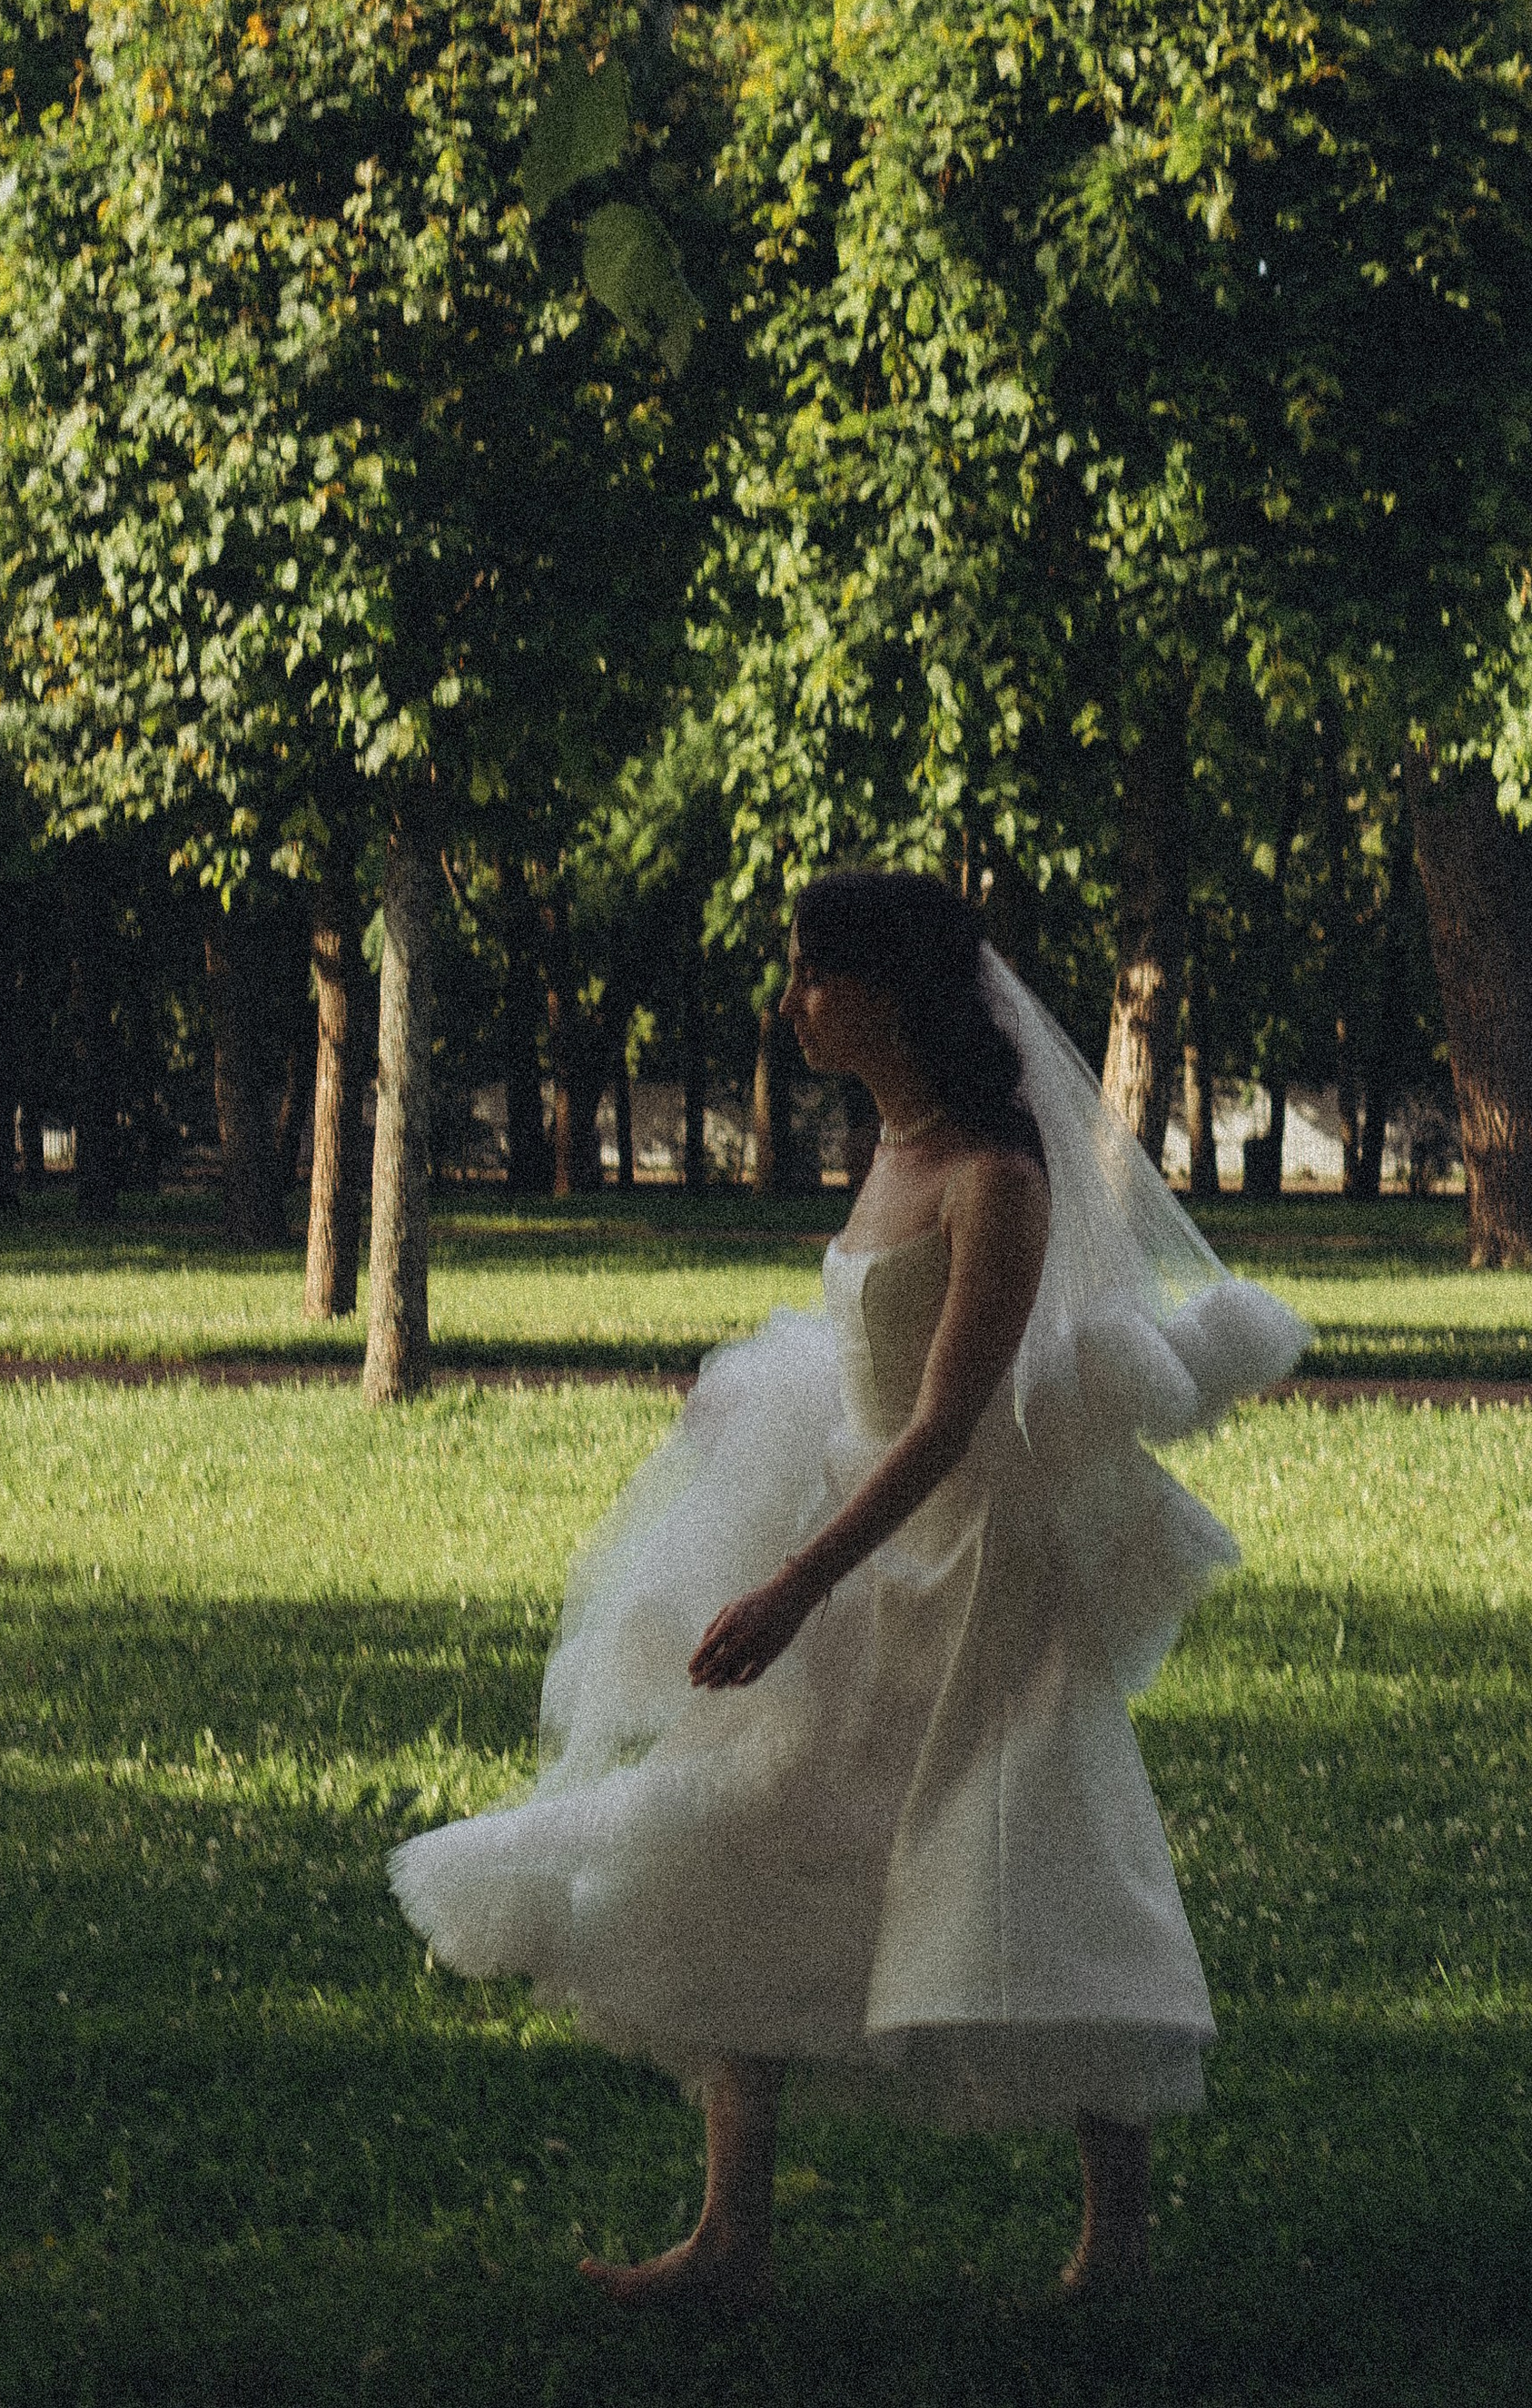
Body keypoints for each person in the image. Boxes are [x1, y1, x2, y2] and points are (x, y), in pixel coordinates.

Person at [389, 870, 1306, 2306]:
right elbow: (873, 1366)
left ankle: (1114, 2240)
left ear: (896, 990)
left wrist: (792, 1589)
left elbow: (948, 1420)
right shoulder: (895, 1143)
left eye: (818, 973)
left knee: (1029, 1846)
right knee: (752, 1830)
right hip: (855, 1520)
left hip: (965, 1564)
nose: (794, 1001)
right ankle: (730, 2231)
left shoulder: (998, 1178)